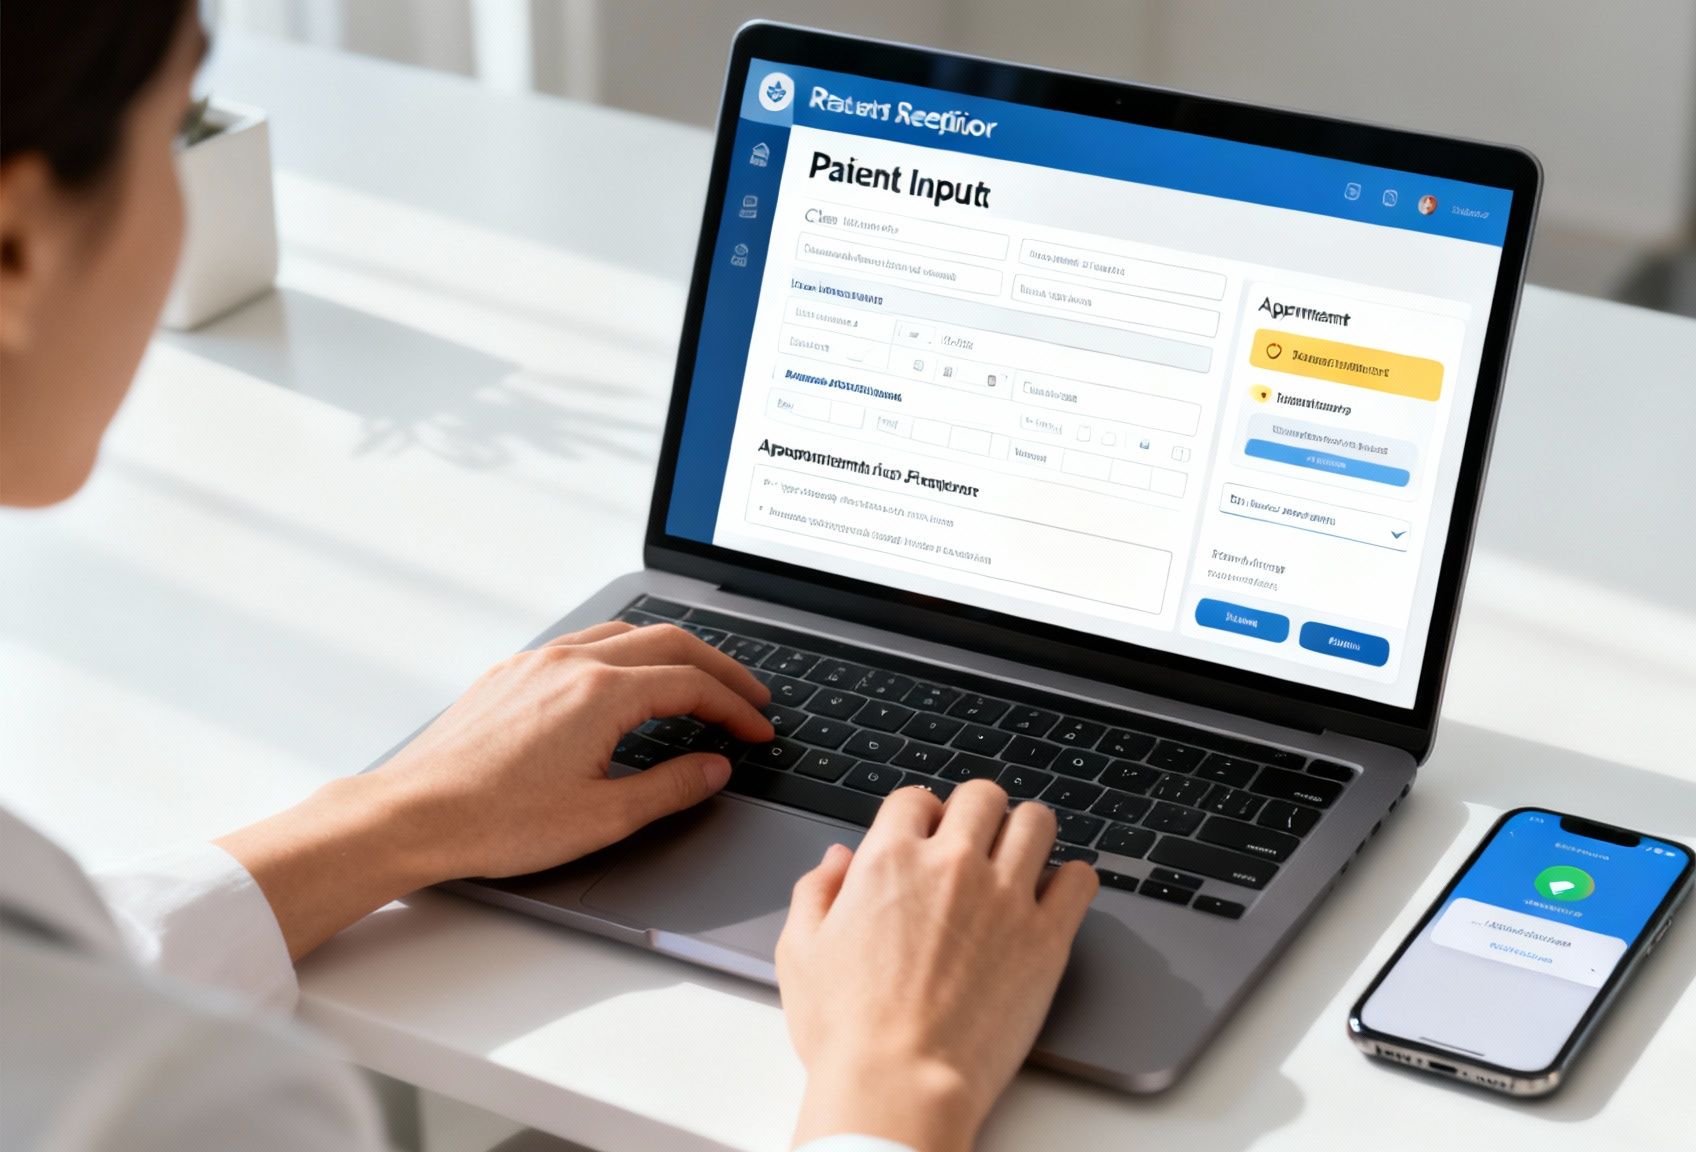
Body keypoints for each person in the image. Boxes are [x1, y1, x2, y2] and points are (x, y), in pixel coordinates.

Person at [0, 5, 1096, 1151]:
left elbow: (51, 980)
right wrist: (896, 1075)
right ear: (20, 242)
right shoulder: (188, 1106)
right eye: (177, 129)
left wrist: (388, 820)